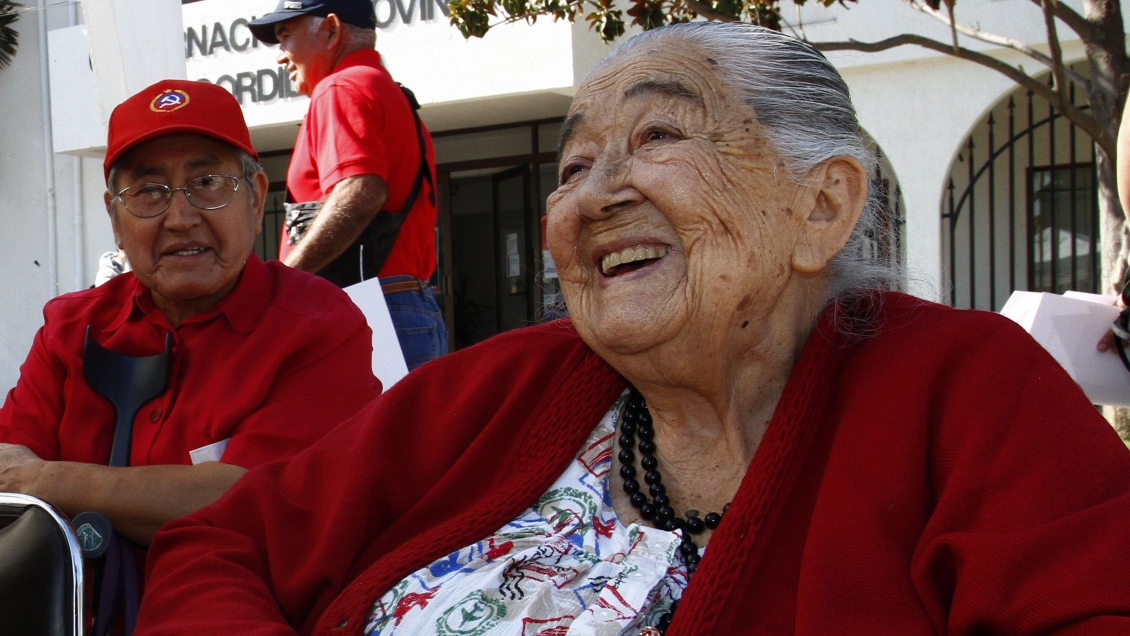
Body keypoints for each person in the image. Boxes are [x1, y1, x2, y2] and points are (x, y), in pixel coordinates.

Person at [136, 24, 1130, 635]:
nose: (592, 198)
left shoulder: (965, 393)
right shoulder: (497, 391)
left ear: (820, 206)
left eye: (656, 135)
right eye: (570, 167)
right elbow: (222, 548)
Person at [0, 79, 381, 615]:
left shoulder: (317, 324)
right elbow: (7, 488)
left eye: (207, 182)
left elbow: (258, 503)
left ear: (254, 199)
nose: (180, 218)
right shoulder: (72, 326)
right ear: (114, 217)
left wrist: (50, 479)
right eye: (149, 192)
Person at [246, 0, 446, 371]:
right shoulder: (388, 91)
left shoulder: (338, 88)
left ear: (332, 30)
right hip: (409, 305)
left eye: (285, 35)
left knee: (357, 431)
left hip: (371, 309)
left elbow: (361, 189)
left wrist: (284, 282)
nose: (280, 56)